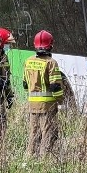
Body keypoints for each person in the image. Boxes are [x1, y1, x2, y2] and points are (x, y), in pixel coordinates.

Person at [23, 30, 65, 159]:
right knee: (48, 132)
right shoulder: (51, 63)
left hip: (32, 104)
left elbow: (25, 84)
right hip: (47, 105)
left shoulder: (28, 61)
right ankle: (44, 159)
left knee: (34, 132)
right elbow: (55, 86)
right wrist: (60, 101)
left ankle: (30, 157)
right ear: (50, 45)